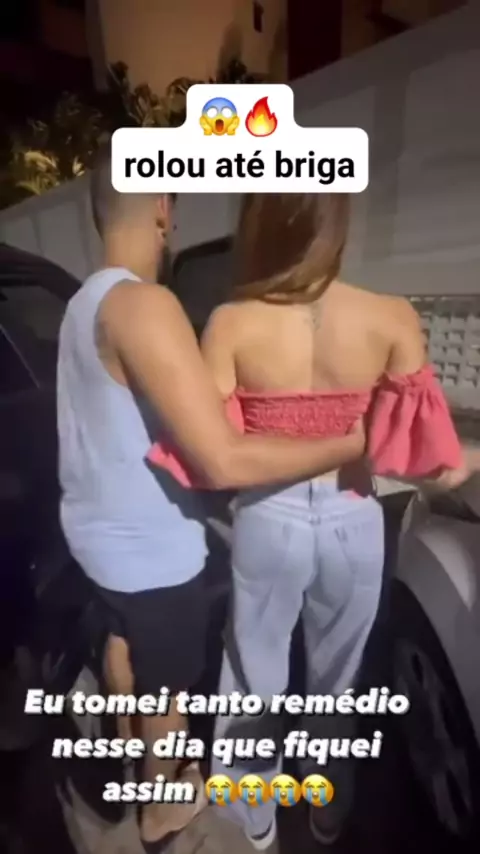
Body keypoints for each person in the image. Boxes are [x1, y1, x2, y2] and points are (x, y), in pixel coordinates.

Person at [56, 150, 367, 852]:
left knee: (123, 646)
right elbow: (222, 459)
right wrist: (352, 441)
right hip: (150, 554)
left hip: (97, 541)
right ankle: (162, 806)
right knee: (169, 682)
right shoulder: (145, 305)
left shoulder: (81, 304)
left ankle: (137, 756)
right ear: (163, 208)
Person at [149, 192, 479, 851]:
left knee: (252, 672)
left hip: (266, 521)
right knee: (341, 677)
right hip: (354, 520)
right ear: (338, 226)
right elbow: (427, 461)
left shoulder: (231, 323)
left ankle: (255, 819)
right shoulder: (390, 317)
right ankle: (329, 810)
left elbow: (209, 450)